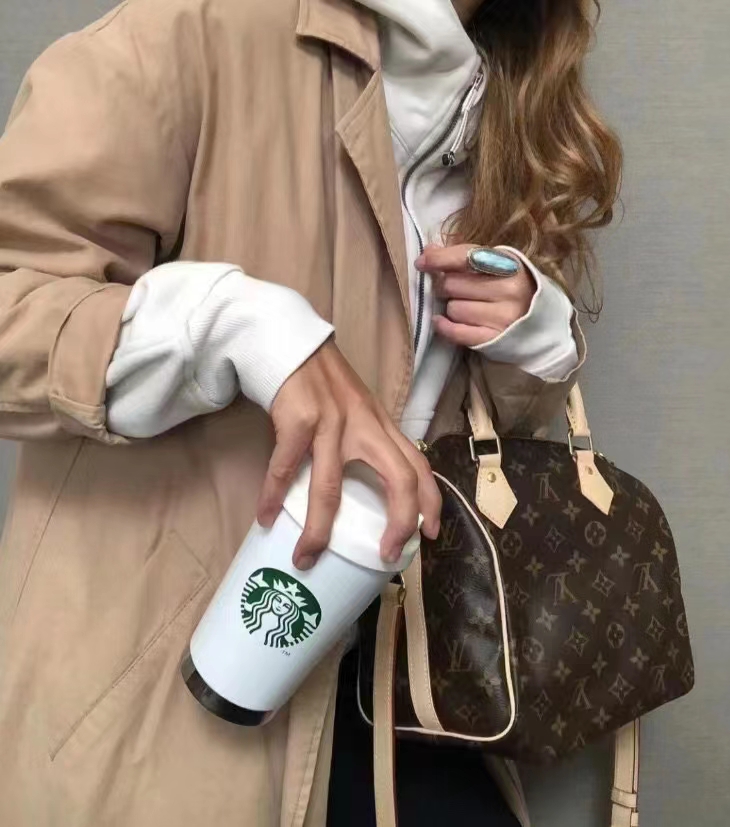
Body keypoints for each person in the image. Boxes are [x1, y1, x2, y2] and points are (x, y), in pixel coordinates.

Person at [0, 0, 621, 825]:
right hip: (170, 715)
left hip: (415, 691)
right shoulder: (195, 30)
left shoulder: (509, 95)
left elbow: (464, 444)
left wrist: (531, 344)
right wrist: (233, 324)